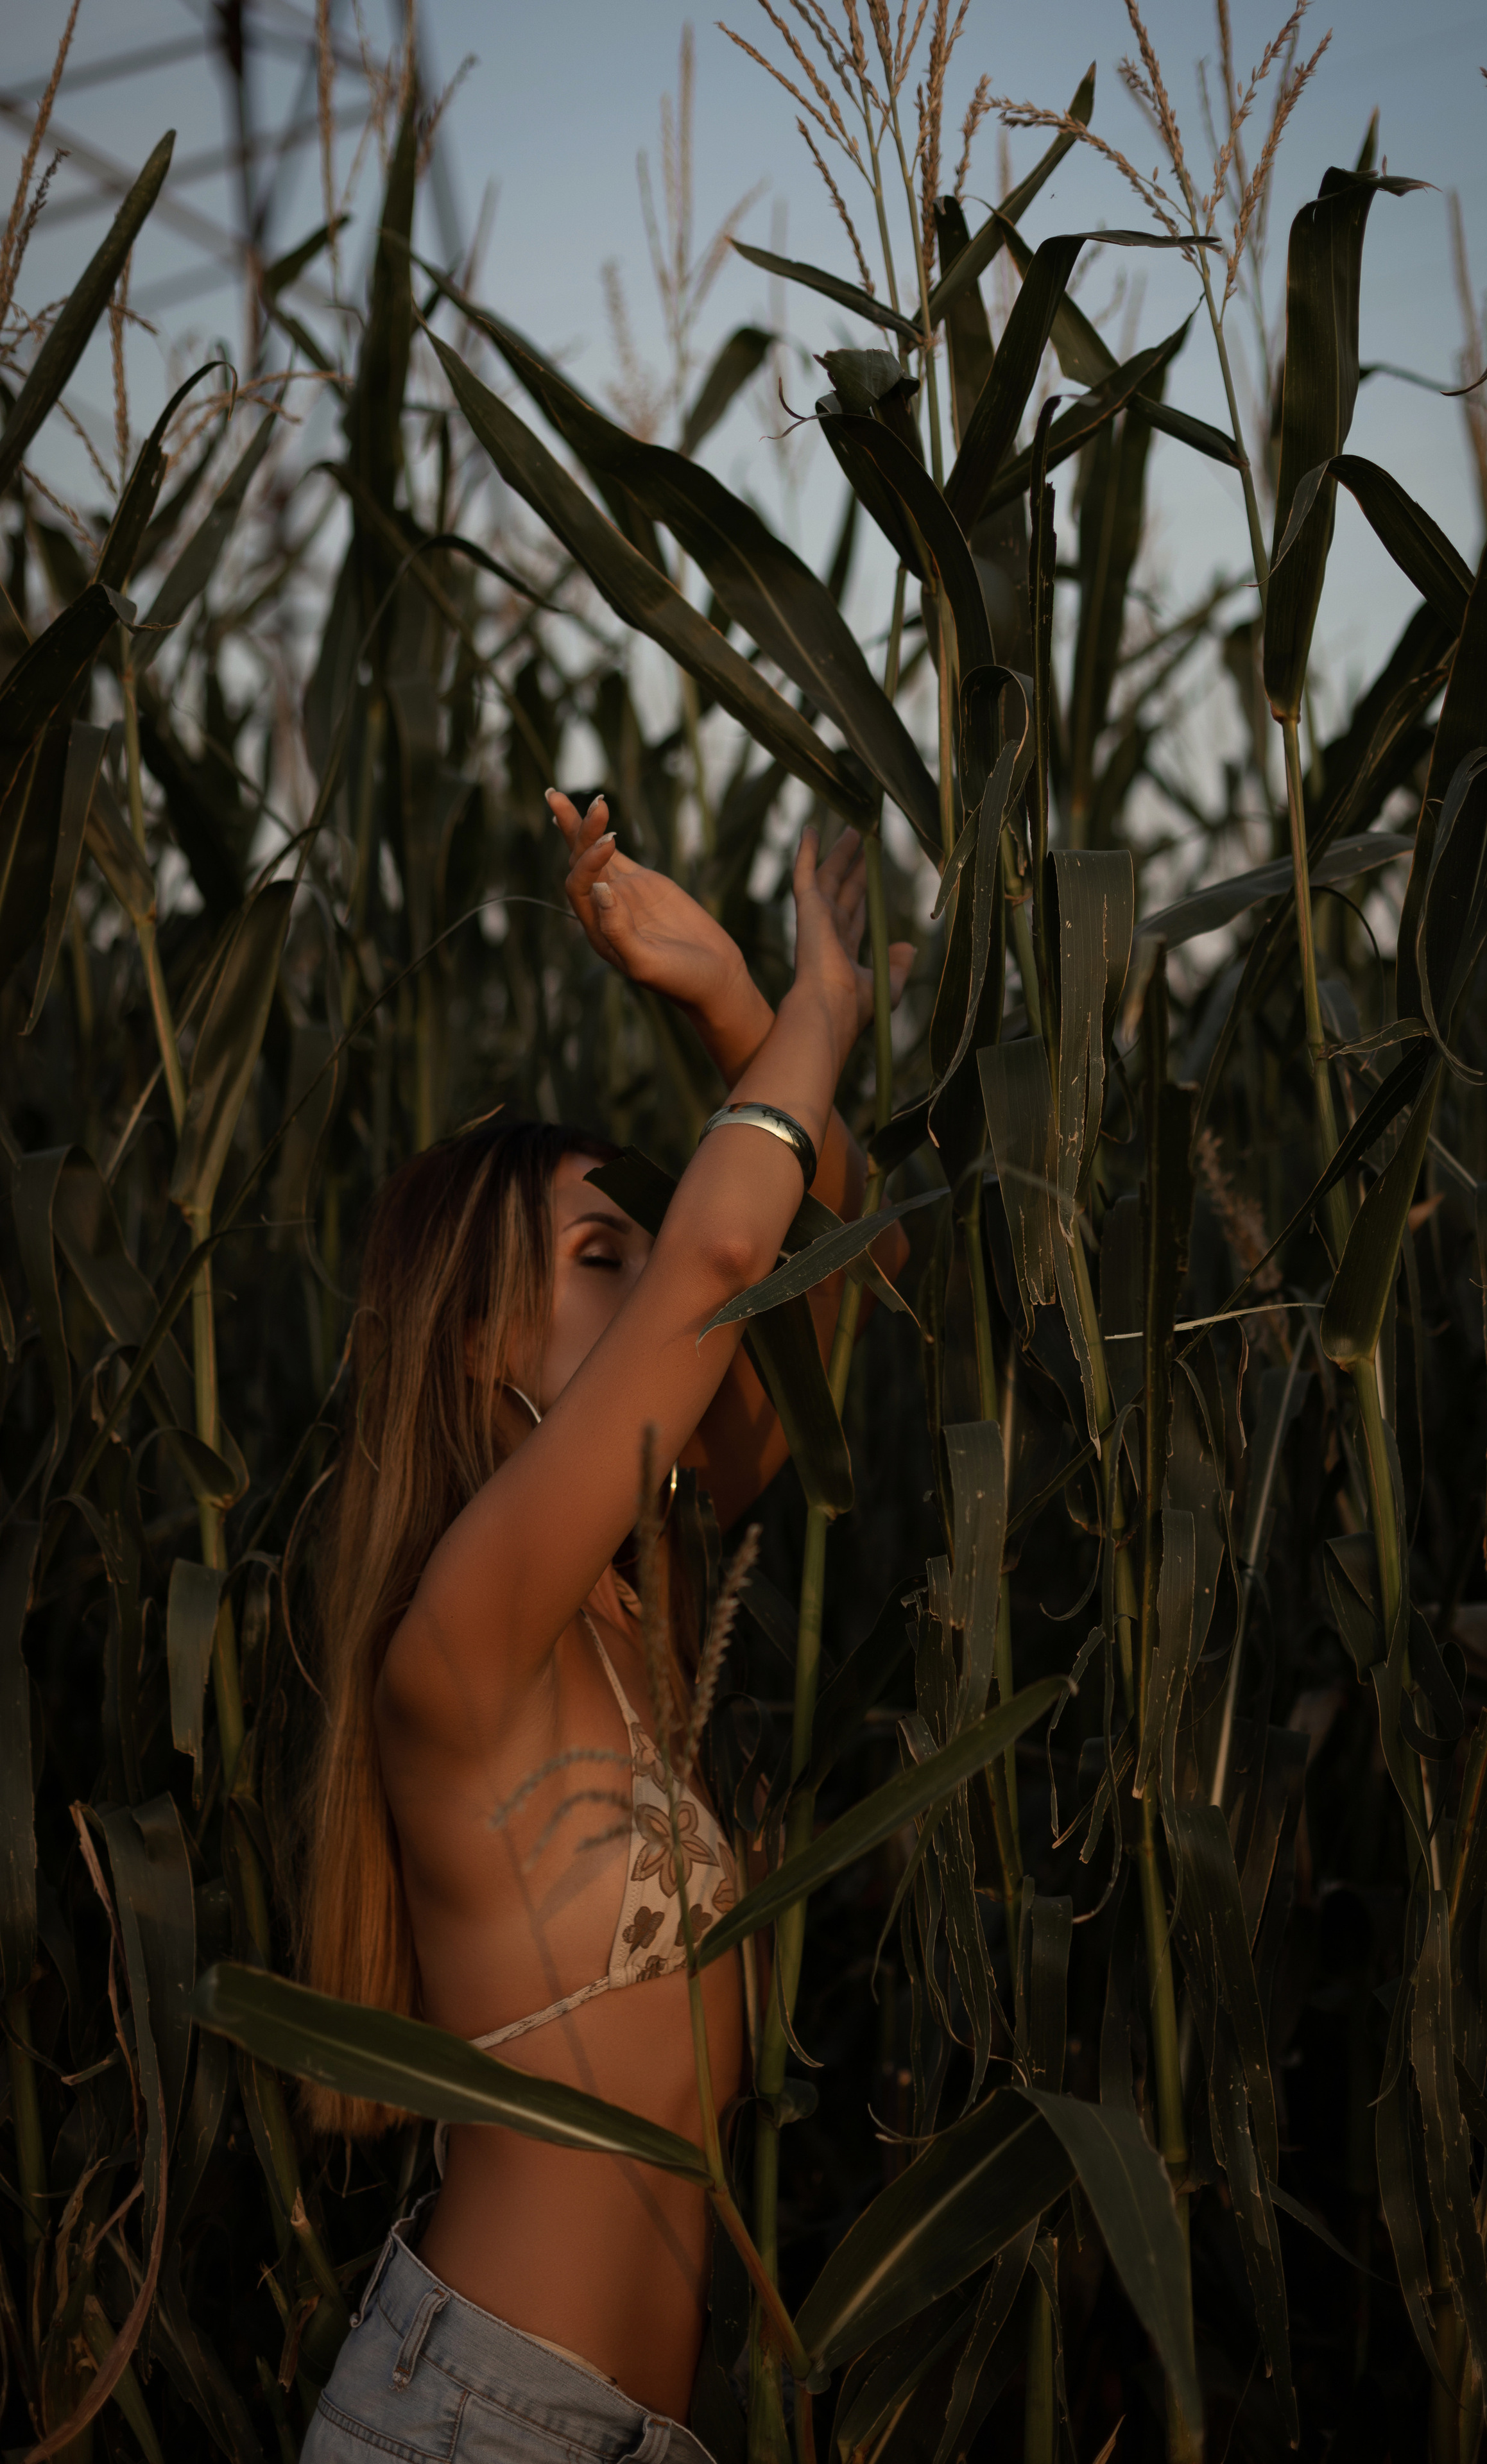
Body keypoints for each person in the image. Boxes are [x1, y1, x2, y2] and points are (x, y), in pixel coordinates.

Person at [297, 791, 913, 2464]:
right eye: (594, 1255)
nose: (649, 1287)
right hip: (475, 2426)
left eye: (635, 1249)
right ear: (476, 1331)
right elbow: (728, 1243)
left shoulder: (635, 1604)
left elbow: (819, 1290)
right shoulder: (464, 1635)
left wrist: (722, 996)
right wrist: (817, 1005)